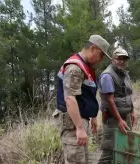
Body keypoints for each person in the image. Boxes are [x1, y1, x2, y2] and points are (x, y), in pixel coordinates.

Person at [52, 34, 110, 164]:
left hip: (79, 121)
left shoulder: (86, 67)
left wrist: (93, 117)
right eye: (101, 55)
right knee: (76, 160)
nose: (101, 60)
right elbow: (70, 99)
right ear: (93, 48)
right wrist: (79, 127)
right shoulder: (75, 67)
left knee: (82, 159)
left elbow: (86, 95)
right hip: (72, 124)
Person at [98, 47, 136, 163]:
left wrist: (132, 111)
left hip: (126, 117)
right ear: (112, 59)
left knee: (125, 149)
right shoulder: (107, 76)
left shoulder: (125, 74)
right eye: (119, 58)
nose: (122, 61)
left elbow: (128, 94)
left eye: (124, 59)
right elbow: (109, 100)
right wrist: (119, 120)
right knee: (109, 154)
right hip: (114, 120)